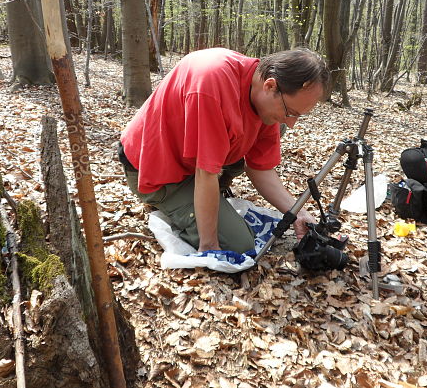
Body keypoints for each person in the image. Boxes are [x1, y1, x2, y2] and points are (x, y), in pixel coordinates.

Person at [118, 47, 330, 254]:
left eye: (298, 116)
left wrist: (298, 214)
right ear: (270, 85)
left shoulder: (264, 98)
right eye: (290, 112)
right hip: (156, 170)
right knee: (237, 246)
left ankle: (202, 203)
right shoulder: (212, 84)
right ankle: (171, 204)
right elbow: (206, 172)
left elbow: (261, 168)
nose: (291, 123)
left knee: (277, 123)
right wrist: (210, 245)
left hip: (195, 165)